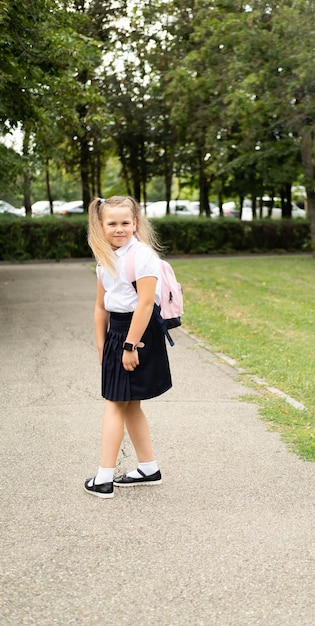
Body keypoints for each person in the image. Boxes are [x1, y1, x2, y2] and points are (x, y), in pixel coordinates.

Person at [84, 196, 172, 499]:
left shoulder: (143, 255)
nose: (119, 229)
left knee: (114, 404)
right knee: (130, 403)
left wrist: (130, 345)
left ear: (135, 224)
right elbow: (100, 307)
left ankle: (103, 478)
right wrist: (101, 345)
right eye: (112, 223)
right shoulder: (105, 258)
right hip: (117, 334)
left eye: (125, 223)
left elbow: (146, 303)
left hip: (138, 332)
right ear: (101, 226)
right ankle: (148, 469)